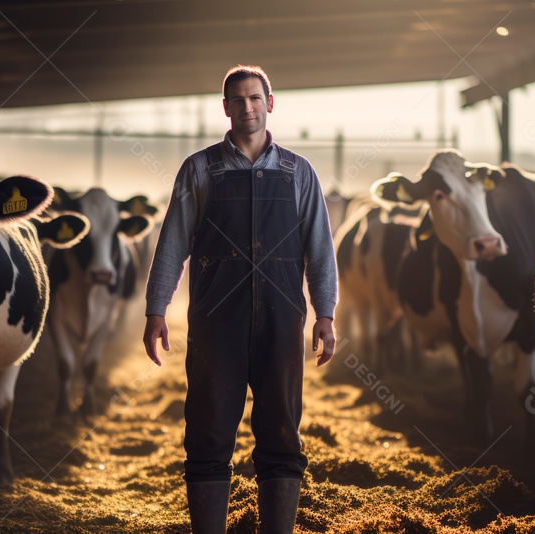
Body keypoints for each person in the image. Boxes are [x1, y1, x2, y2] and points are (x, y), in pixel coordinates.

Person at [142, 64, 338, 533]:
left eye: (255, 98)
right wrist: (156, 310)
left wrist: (325, 314)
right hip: (216, 326)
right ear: (225, 107)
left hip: (281, 324)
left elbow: (320, 249)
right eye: (237, 100)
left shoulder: (298, 173)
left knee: (282, 436)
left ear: (269, 104)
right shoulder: (200, 169)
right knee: (208, 434)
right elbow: (172, 245)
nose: (247, 107)